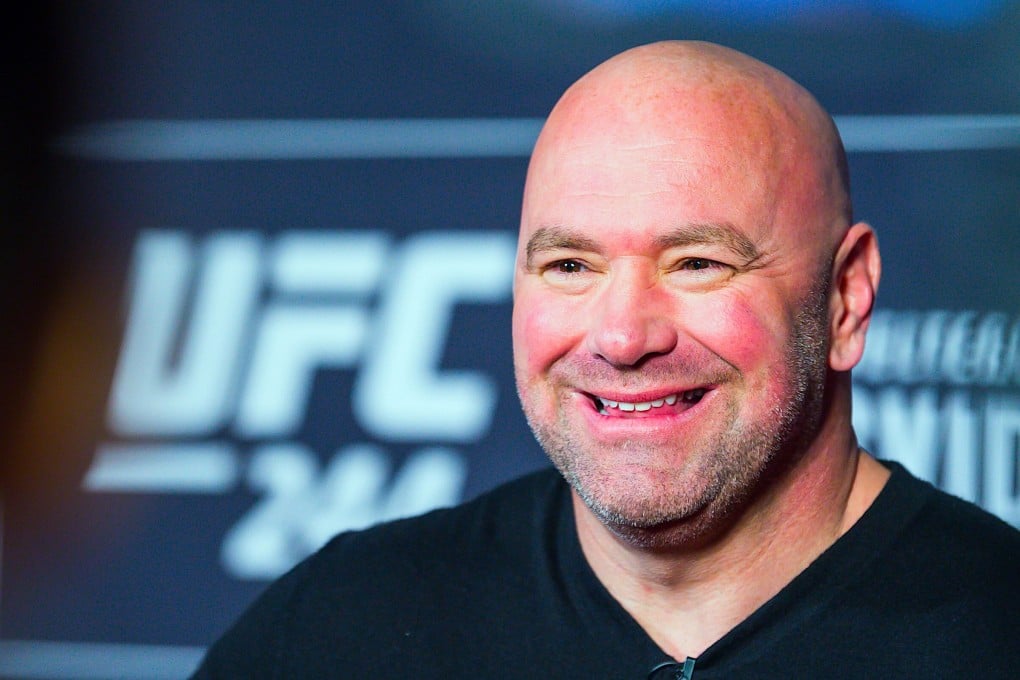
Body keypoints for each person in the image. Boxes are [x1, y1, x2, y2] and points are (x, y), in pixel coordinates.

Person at [191, 41, 1020, 679]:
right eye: (570, 267)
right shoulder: (340, 631)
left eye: (698, 263)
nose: (622, 338)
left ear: (845, 298)